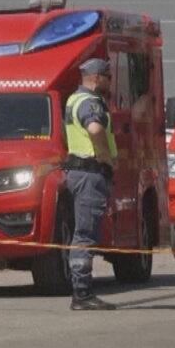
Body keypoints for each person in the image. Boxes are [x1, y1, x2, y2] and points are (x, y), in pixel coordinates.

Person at [62, 58, 119, 310]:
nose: (110, 81)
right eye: (108, 76)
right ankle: (82, 293)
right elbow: (95, 129)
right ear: (96, 77)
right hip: (90, 173)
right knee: (85, 233)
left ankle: (81, 290)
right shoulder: (90, 102)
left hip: (78, 172)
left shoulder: (74, 99)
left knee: (84, 231)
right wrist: (105, 156)